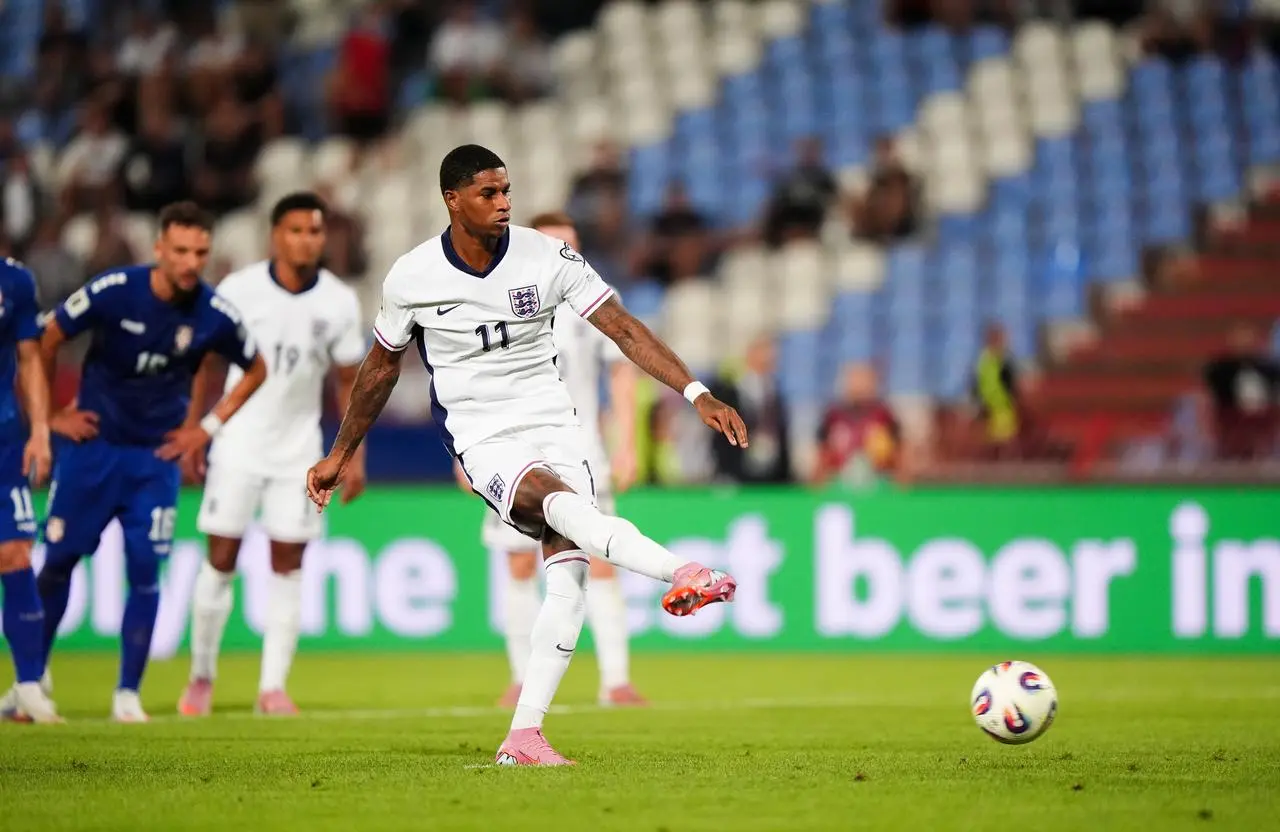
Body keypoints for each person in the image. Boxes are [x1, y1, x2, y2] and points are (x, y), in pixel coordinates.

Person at [306, 145, 748, 765]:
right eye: (488, 193)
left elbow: (622, 327)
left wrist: (696, 392)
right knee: (559, 505)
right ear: (452, 200)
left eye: (507, 189)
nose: (504, 202)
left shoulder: (548, 257)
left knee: (567, 578)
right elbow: (379, 371)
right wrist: (341, 453)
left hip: (556, 424)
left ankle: (524, 736)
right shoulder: (412, 276)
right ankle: (682, 571)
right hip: (483, 436)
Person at [33, 201, 268, 723]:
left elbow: (256, 368)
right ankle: (33, 677)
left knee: (144, 573)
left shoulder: (213, 312)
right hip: (92, 451)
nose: (190, 262)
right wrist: (50, 413)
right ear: (159, 248)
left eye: (200, 253)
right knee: (56, 565)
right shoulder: (115, 290)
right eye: (180, 251)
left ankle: (126, 696)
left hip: (154, 460)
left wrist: (203, 430)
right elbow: (46, 338)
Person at [179, 193, 366, 718]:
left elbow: (352, 382)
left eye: (315, 231)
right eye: (296, 231)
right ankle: (201, 676)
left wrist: (354, 457)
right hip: (238, 443)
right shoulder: (239, 291)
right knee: (220, 559)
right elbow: (206, 363)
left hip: (299, 452)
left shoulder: (337, 300)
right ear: (275, 236)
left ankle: (272, 686)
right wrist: (195, 429)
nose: (307, 240)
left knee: (290, 562)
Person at [454, 210, 644, 710]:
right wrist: (463, 451)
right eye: (557, 242)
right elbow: (467, 383)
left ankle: (617, 682)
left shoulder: (594, 298)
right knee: (518, 565)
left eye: (573, 242)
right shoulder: (497, 298)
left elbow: (622, 375)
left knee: (601, 560)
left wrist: (627, 443)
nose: (567, 252)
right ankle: (521, 676)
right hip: (511, 451)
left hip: (583, 451)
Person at [0, 257, 60, 723]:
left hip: (3, 440)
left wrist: (40, 428)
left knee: (16, 553)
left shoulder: (15, 279)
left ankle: (28, 686)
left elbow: (29, 357)